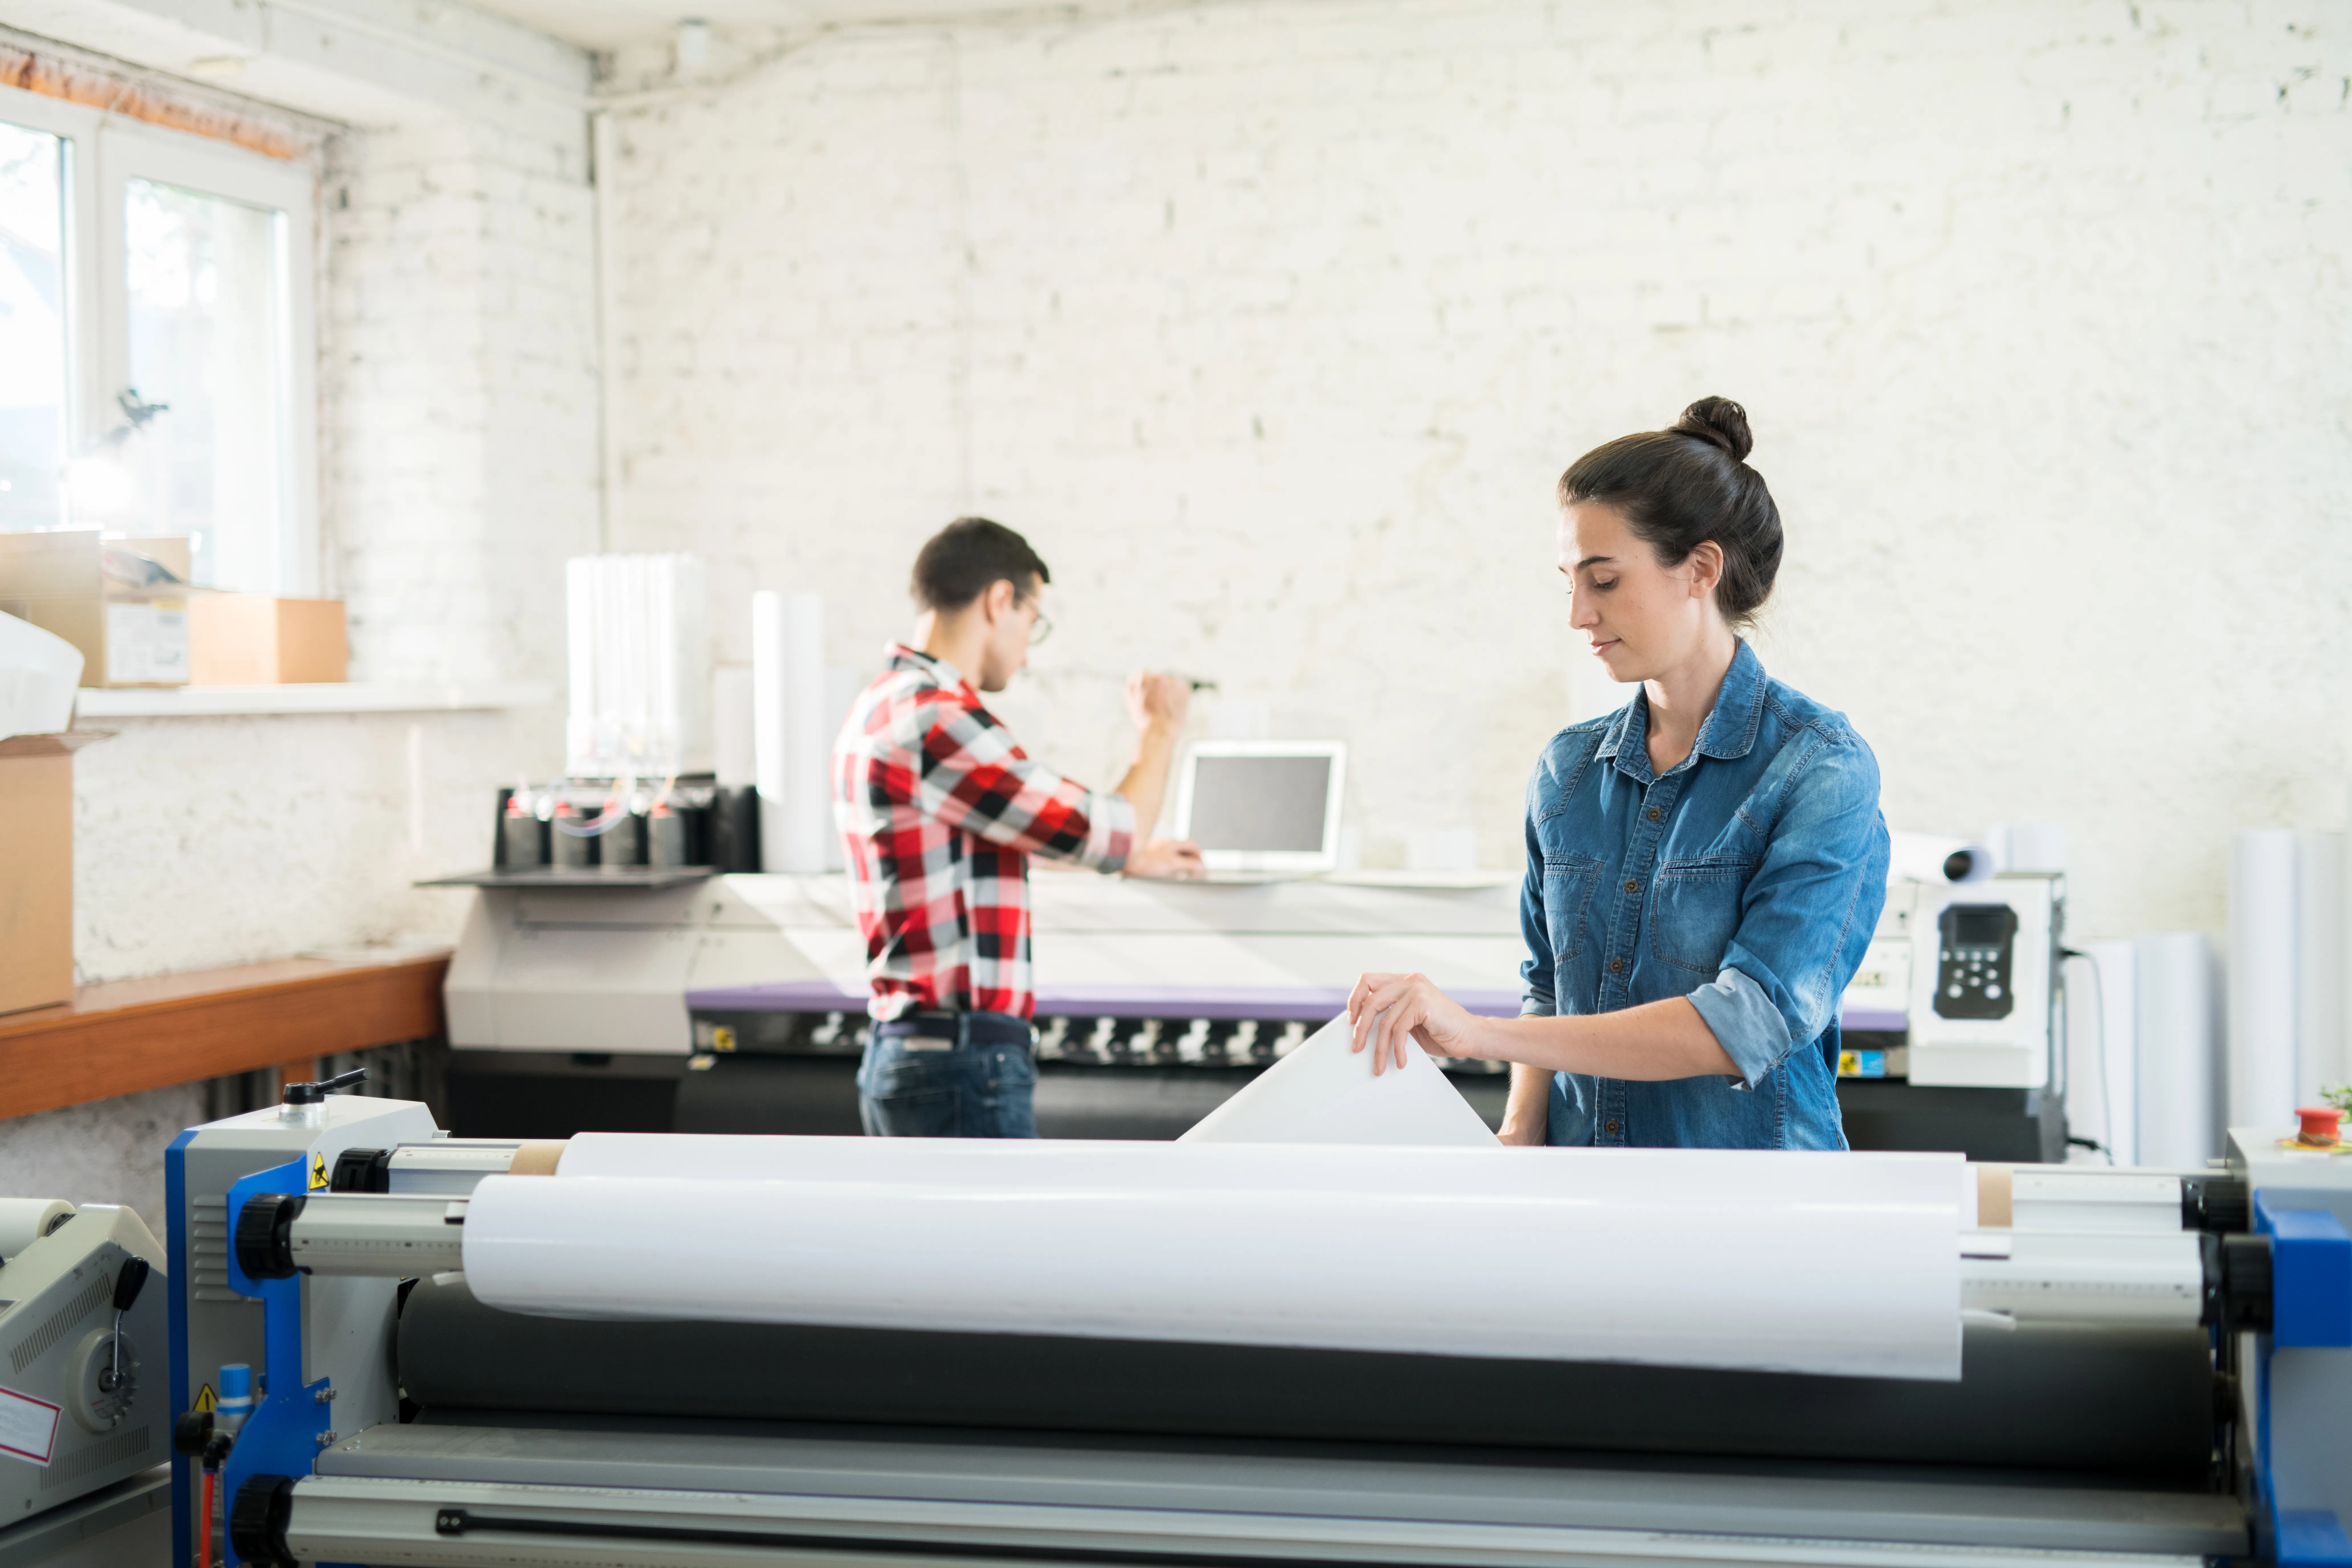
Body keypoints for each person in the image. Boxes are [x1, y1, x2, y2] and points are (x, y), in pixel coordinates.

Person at [1347, 398, 1888, 1150]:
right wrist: (1517, 1138)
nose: (1576, 613)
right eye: (1568, 581)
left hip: (1754, 1227)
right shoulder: (1568, 772)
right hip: (1581, 1210)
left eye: (1603, 581)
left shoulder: (1820, 768)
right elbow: (1550, 991)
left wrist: (1479, 1034)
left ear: (1700, 570)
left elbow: (1749, 1021)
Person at [835, 516, 1204, 1137]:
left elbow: (989, 837)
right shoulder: (937, 719)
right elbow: (1114, 828)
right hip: (961, 1062)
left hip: (913, 1049)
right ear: (1000, 599)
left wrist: (1130, 854)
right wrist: (1160, 730)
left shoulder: (880, 704)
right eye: (1034, 622)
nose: (1030, 649)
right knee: (996, 1240)